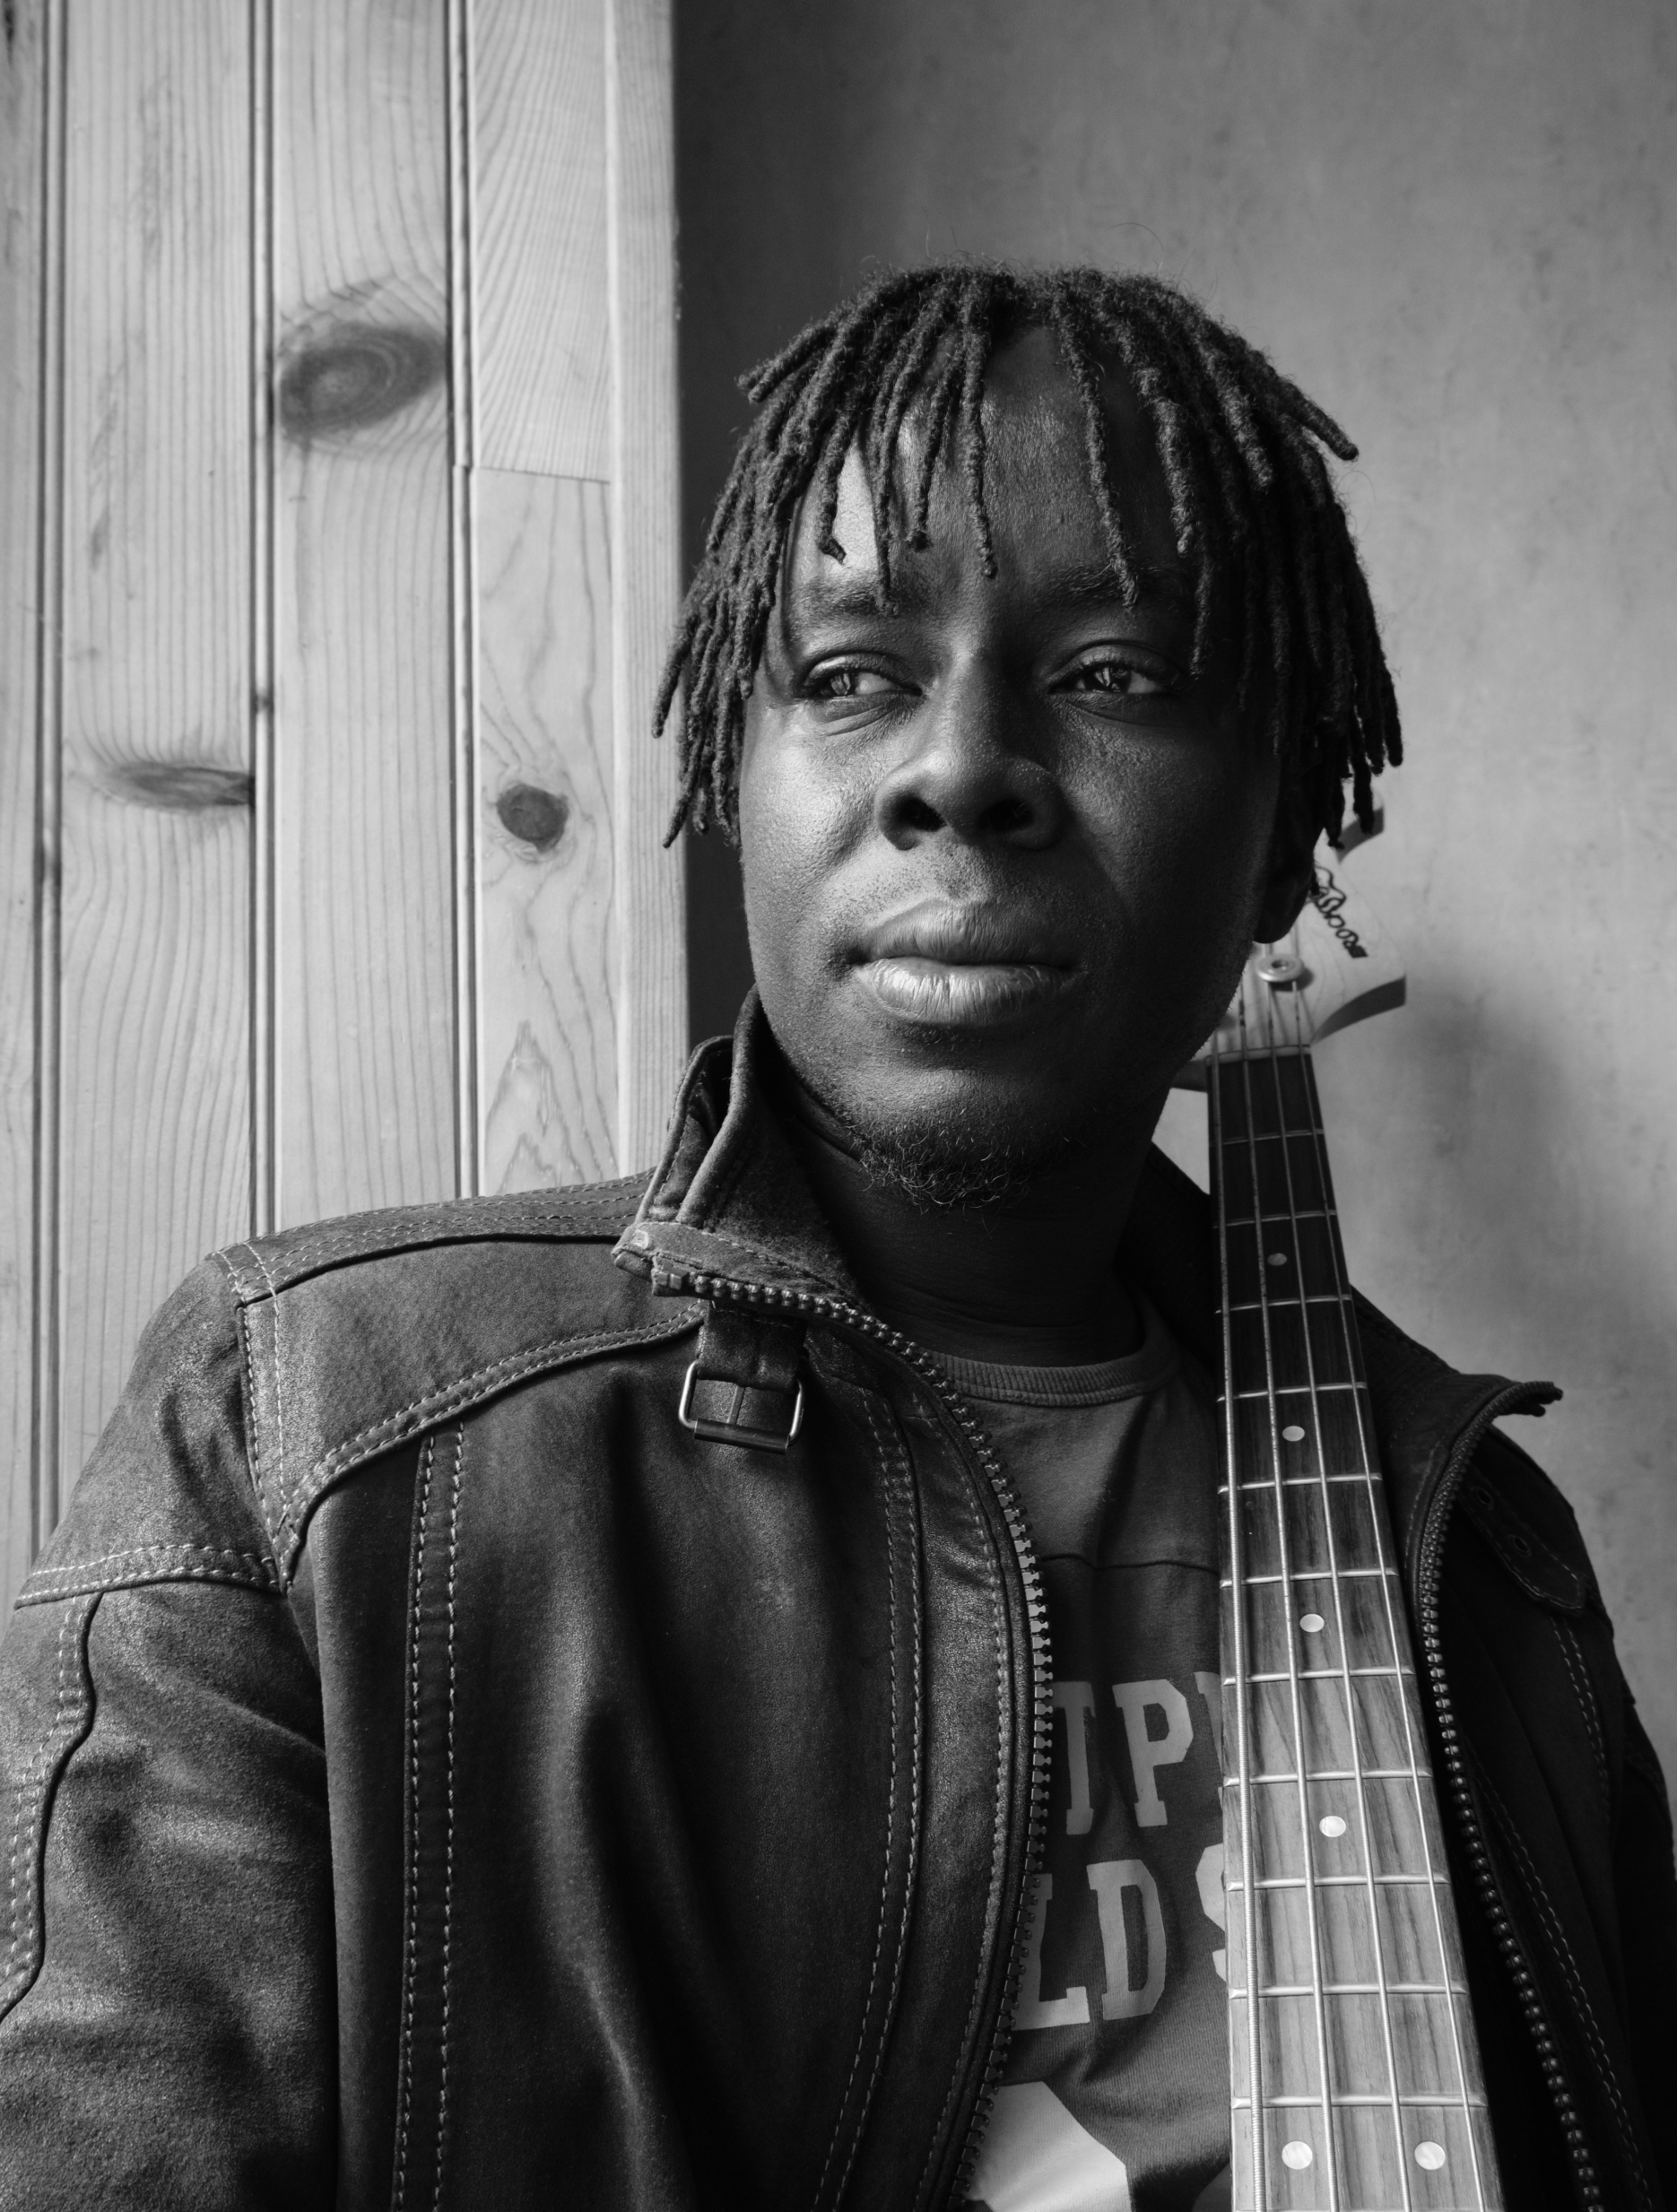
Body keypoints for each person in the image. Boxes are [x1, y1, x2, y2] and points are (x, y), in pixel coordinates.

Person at [0, 265, 1670, 2212]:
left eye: (1114, 673)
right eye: (851, 671)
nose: (957, 768)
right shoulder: (308, 1435)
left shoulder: (1486, 1554)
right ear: (737, 776)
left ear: (1289, 831)